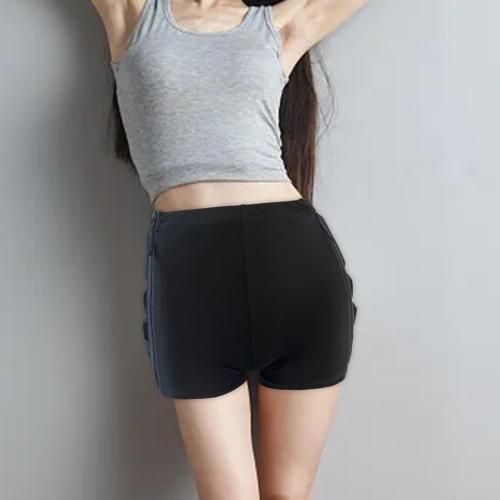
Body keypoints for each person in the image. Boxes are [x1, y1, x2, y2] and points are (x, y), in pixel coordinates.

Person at [90, 0, 367, 498]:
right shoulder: (135, 15)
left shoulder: (278, 24)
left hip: (296, 268)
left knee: (287, 494)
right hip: (189, 285)